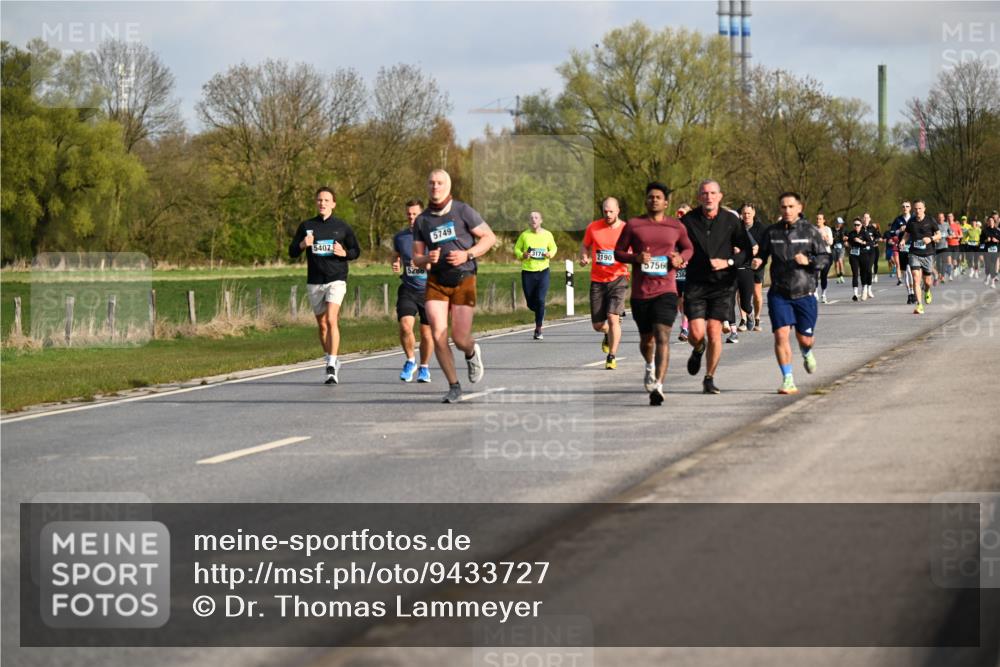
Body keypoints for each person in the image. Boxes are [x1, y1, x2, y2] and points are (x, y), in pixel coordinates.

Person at [412, 169, 496, 403]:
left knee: (460, 338)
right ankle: (453, 385)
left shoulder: (463, 210)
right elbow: (416, 257)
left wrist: (467, 254)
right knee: (438, 333)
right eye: (431, 183)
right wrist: (427, 259)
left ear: (448, 186)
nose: (435, 187)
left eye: (439, 183)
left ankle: (471, 352)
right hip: (436, 282)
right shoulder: (422, 220)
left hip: (464, 278)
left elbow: (489, 237)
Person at [614, 182, 694, 405]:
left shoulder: (675, 226)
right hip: (641, 293)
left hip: (666, 290)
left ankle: (659, 385)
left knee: (662, 336)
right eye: (650, 197)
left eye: (658, 197)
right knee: (646, 340)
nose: (654, 200)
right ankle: (649, 366)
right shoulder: (633, 225)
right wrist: (635, 258)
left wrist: (681, 259)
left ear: (666, 202)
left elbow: (689, 248)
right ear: (646, 201)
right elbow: (618, 252)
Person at [751, 192, 830, 395]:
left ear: (799, 208)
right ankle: (788, 379)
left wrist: (810, 262)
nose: (787, 210)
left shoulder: (810, 231)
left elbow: (824, 257)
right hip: (779, 292)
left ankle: (806, 351)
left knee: (804, 339)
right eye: (783, 207)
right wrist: (758, 260)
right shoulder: (772, 232)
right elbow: (762, 253)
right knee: (780, 335)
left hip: (804, 292)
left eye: (790, 207)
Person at [680, 179, 753, 394]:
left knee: (714, 331)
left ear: (720, 196)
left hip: (722, 284)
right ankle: (698, 348)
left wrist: (728, 262)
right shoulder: (689, 221)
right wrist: (677, 257)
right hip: (696, 283)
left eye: (712, 193)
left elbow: (747, 250)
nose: (708, 197)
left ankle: (709, 378)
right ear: (699, 197)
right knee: (695, 333)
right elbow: (676, 246)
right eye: (704, 193)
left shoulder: (731, 220)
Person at [288, 186, 362, 384]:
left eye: (327, 200)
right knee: (322, 326)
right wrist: (303, 244)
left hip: (336, 278)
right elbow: (292, 251)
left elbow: (356, 250)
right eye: (319, 200)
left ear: (333, 204)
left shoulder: (342, 227)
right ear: (316, 203)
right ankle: (330, 356)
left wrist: (344, 253)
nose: (323, 203)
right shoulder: (306, 226)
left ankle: (332, 364)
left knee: (331, 319)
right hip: (315, 281)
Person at [581, 197, 630, 369]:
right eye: (605, 211)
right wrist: (585, 256)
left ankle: (612, 356)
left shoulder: (626, 229)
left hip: (619, 277)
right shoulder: (593, 227)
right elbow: (585, 245)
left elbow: (633, 251)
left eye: (611, 211)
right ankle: (608, 332)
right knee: (598, 325)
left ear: (618, 211)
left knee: (612, 317)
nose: (608, 214)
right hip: (597, 280)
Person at [392, 199, 433, 383]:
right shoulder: (400, 237)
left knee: (426, 333)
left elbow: (439, 261)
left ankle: (424, 367)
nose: (411, 217)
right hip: (408, 288)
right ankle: (410, 361)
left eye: (415, 214)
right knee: (405, 326)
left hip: (430, 291)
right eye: (409, 214)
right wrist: (395, 261)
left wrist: (425, 262)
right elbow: (396, 253)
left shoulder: (432, 237)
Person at [514, 211, 558, 340]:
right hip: (528, 272)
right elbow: (516, 249)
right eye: (531, 218)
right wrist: (523, 255)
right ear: (529, 221)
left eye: (536, 217)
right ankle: (540, 310)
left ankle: (538, 328)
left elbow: (554, 248)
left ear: (541, 220)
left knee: (540, 299)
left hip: (543, 271)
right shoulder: (524, 235)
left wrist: (550, 254)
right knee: (531, 303)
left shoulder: (547, 235)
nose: (534, 220)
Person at [902, 200, 941, 315]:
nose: (917, 211)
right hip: (914, 253)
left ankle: (927, 291)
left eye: (920, 208)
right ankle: (919, 305)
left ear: (924, 209)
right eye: (916, 209)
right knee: (915, 278)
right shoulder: (911, 221)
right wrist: (902, 241)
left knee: (928, 281)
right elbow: (907, 234)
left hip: (928, 254)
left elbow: (939, 234)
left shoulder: (930, 220)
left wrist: (931, 239)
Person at [741, 203, 770, 330]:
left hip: (757, 263)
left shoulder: (761, 229)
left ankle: (757, 317)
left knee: (757, 293)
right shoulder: (738, 227)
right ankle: (743, 319)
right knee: (741, 292)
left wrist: (760, 259)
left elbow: (765, 248)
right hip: (742, 263)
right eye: (744, 213)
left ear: (753, 214)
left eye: (748, 213)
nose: (746, 215)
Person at [674, 203, 693, 340]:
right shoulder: (674, 228)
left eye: (685, 213)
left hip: (691, 267)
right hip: (678, 268)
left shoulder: (695, 229)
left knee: (687, 298)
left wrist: (687, 259)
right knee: (680, 299)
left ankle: (686, 327)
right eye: (681, 213)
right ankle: (685, 324)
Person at [845, 218, 874, 301]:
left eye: (858, 225)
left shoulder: (864, 233)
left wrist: (861, 242)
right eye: (855, 225)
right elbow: (848, 243)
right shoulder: (851, 233)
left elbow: (871, 243)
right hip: (854, 255)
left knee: (863, 273)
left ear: (861, 225)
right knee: (855, 273)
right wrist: (847, 244)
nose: (856, 226)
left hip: (863, 254)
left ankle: (864, 289)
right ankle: (855, 294)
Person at [814, 213, 834, 303]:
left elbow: (830, 242)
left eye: (820, 219)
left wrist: (824, 236)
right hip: (817, 254)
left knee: (823, 275)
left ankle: (823, 294)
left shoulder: (827, 229)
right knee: (814, 274)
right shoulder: (814, 230)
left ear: (824, 220)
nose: (818, 220)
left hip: (826, 254)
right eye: (817, 219)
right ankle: (815, 293)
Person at [981, 216, 1000, 288]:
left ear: (994, 222)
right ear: (988, 222)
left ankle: (992, 283)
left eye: (992, 221)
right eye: (989, 221)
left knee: (992, 265)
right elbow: (981, 242)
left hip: (995, 250)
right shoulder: (985, 231)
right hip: (986, 250)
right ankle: (987, 276)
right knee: (988, 265)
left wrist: (997, 240)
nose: (991, 222)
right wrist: (986, 240)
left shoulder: (998, 231)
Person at [863, 214, 881, 286]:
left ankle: (875, 275)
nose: (866, 219)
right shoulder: (860, 228)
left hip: (873, 249)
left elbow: (878, 236)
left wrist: (874, 240)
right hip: (864, 249)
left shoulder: (872, 228)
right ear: (862, 219)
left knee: (875, 263)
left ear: (869, 219)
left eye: (867, 217)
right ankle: (866, 279)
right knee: (865, 266)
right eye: (864, 217)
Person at [831, 217, 847, 284]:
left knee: (840, 260)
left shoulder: (843, 230)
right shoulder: (832, 230)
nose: (840, 224)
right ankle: (838, 277)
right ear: (836, 223)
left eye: (841, 223)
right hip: (834, 247)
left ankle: (842, 274)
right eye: (839, 223)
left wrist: (846, 238)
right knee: (836, 263)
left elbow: (847, 236)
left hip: (841, 247)